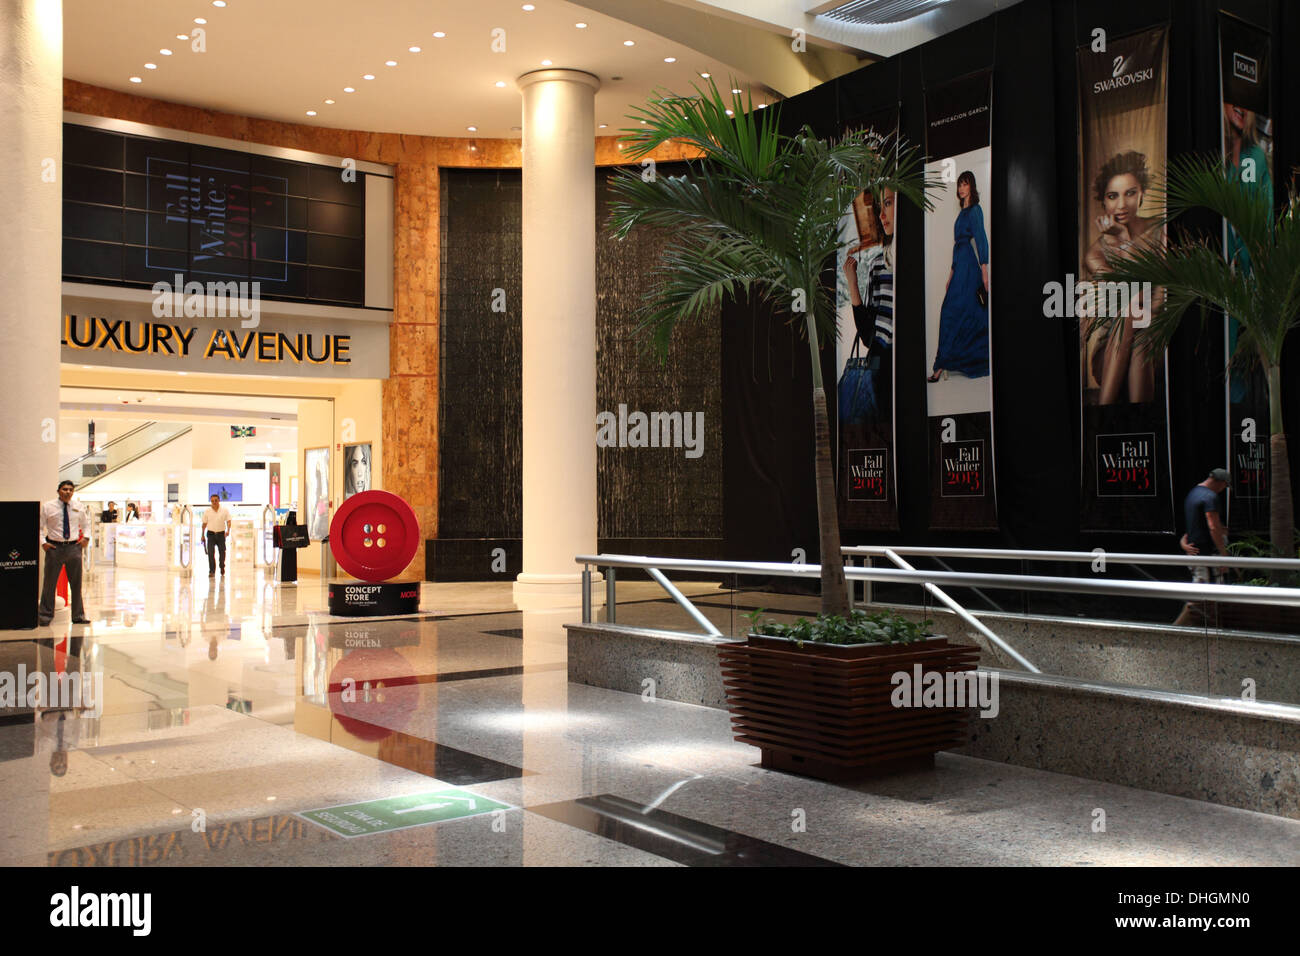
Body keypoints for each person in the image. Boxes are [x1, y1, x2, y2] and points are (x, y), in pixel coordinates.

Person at [1081, 150, 1162, 405]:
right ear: (1103, 203)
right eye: (1112, 196)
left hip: (1154, 342)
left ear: (1142, 194)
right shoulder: (1095, 252)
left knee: (1142, 333)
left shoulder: (1160, 230)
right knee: (1129, 308)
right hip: (1109, 353)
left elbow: (1161, 301)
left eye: (1130, 193)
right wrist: (1123, 240)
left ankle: (1106, 412)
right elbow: (1125, 295)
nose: (1121, 204)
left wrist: (1126, 240)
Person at [841, 186, 895, 425]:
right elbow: (867, 335)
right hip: (883, 366)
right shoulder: (878, 264)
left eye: (889, 203)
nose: (882, 215)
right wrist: (852, 283)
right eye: (880, 206)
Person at [929, 170, 990, 382]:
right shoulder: (961, 214)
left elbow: (981, 238)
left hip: (970, 267)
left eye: (965, 184)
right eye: (959, 184)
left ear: (971, 186)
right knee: (950, 313)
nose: (961, 188)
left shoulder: (975, 210)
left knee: (969, 313)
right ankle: (941, 364)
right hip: (959, 266)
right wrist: (950, 274)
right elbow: (957, 246)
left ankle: (952, 364)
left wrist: (984, 271)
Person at [1173, 468, 1230, 626]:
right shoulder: (1210, 497)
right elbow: (1212, 525)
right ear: (1220, 482)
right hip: (1207, 555)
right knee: (1203, 596)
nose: (1223, 489)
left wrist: (1183, 544)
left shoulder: (1192, 494)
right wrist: (1223, 554)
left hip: (1196, 554)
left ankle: (1212, 629)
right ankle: (1175, 631)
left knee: (1205, 595)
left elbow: (1192, 529)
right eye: (1224, 485)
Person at [38, 480, 90, 626]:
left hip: (74, 548)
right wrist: (43, 543)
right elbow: (40, 527)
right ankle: (45, 617)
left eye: (70, 490)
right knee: (49, 584)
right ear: (59, 491)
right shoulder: (48, 507)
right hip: (54, 548)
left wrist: (86, 538)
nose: (68, 492)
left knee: (76, 584)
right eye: (65, 489)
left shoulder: (78, 507)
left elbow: (86, 525)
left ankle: (78, 616)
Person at [201, 493, 232, 576]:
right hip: (210, 534)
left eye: (215, 500)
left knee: (222, 553)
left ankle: (222, 567)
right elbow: (204, 524)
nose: (214, 502)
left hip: (221, 534)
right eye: (212, 501)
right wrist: (202, 535)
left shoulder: (224, 510)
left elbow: (229, 521)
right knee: (210, 553)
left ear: (219, 500)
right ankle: (212, 571)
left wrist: (228, 530)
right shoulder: (207, 511)